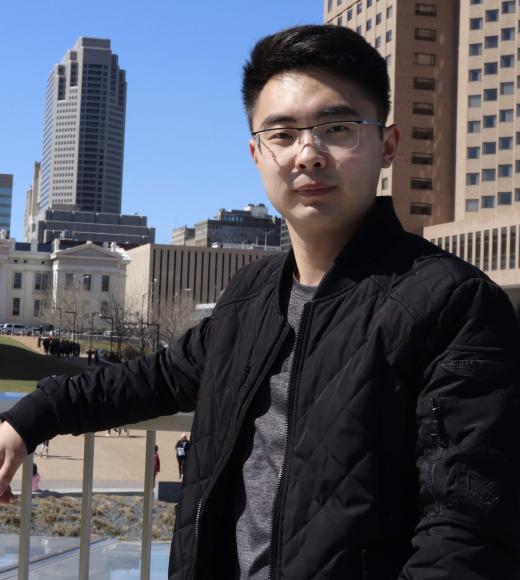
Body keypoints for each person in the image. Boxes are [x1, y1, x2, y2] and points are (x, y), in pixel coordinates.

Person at [0, 24, 519, 580]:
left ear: (387, 145)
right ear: (256, 153)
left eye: (338, 128)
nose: (308, 154)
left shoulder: (455, 306)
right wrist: (28, 420)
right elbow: (153, 379)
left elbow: (465, 531)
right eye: (282, 134)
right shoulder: (250, 296)